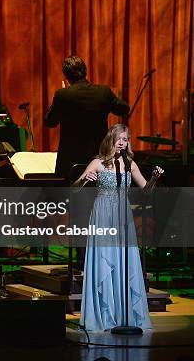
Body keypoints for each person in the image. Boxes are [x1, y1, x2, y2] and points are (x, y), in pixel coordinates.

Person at [73, 124, 163, 331]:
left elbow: (147, 191)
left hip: (123, 215)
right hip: (103, 214)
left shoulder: (129, 163)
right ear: (111, 140)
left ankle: (123, 314)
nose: (123, 142)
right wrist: (84, 180)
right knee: (105, 260)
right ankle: (104, 315)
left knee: (125, 260)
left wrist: (155, 179)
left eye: (126, 139)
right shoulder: (98, 163)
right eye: (119, 138)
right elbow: (74, 189)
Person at [45, 55, 130, 179]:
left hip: (70, 161)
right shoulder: (103, 92)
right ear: (85, 71)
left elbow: (49, 122)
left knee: (69, 196)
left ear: (66, 76)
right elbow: (124, 109)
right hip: (99, 158)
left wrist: (63, 98)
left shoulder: (62, 95)